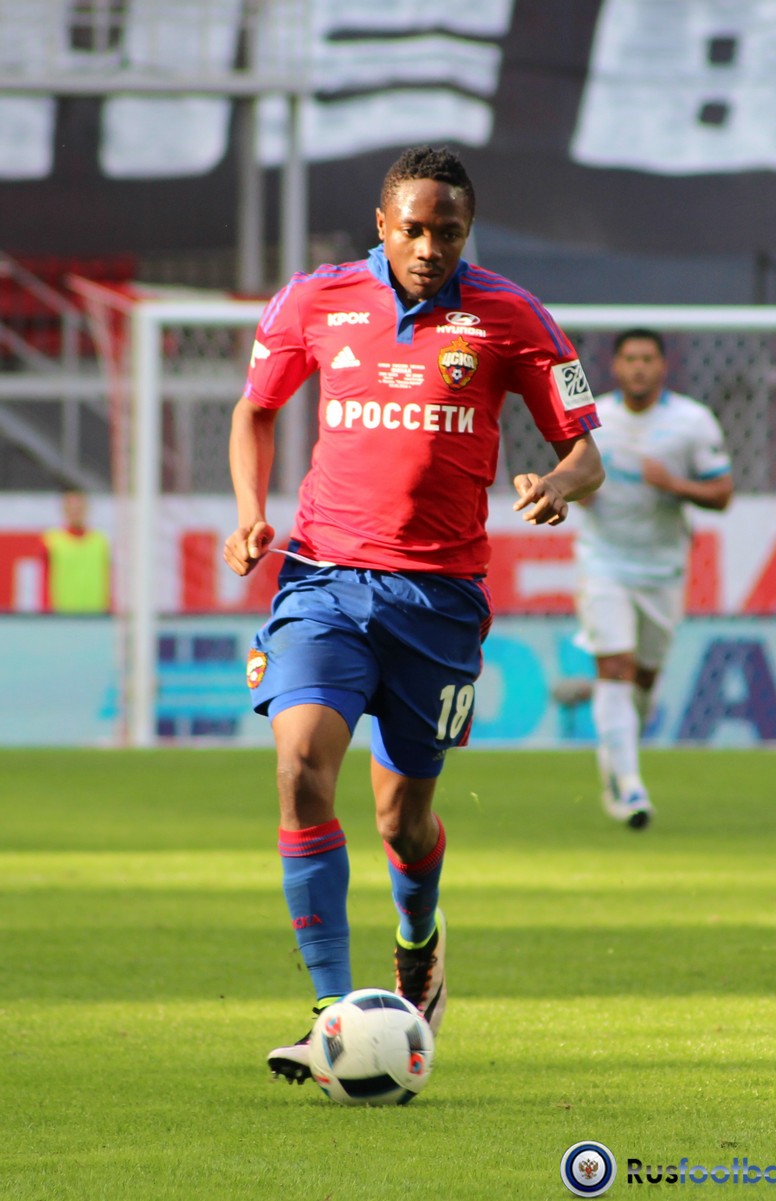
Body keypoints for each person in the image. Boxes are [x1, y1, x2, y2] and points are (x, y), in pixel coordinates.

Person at [223, 145, 604, 1084]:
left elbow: (587, 453)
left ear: (469, 232)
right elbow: (254, 409)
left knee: (401, 819)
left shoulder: (513, 317)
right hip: (323, 577)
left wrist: (557, 484)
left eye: (450, 232)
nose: (431, 247)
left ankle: (419, 934)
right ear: (382, 226)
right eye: (414, 229)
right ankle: (333, 1014)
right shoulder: (315, 299)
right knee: (300, 768)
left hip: (438, 600)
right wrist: (249, 512)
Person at [574, 327, 734, 829]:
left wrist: (674, 485)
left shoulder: (692, 421)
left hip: (663, 568)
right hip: (603, 562)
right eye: (630, 359)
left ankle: (617, 766)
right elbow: (573, 476)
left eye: (648, 359)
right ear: (615, 366)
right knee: (615, 666)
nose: (639, 367)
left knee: (643, 678)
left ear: (663, 367)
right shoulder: (593, 418)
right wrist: (578, 490)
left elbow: (722, 494)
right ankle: (630, 785)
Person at [41, 489, 111, 613]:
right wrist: (46, 610)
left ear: (86, 510)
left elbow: (108, 577)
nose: (75, 513)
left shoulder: (100, 541)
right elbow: (43, 579)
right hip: (62, 613)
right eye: (71, 509)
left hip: (95, 612)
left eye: (79, 509)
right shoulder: (51, 541)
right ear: (64, 511)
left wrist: (109, 606)